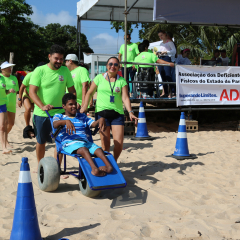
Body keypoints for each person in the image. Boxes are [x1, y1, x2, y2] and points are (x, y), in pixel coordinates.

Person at [81, 57, 138, 162]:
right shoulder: (99, 78)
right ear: (107, 66)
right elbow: (89, 93)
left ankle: (114, 162)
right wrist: (85, 106)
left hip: (117, 114)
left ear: (119, 67)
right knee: (105, 144)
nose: (113, 66)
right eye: (111, 64)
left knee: (119, 143)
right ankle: (107, 163)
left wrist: (130, 112)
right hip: (102, 115)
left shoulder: (121, 81)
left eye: (116, 65)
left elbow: (125, 98)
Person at [29, 44, 76, 170]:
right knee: (41, 141)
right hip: (42, 114)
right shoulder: (40, 70)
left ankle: (56, 169)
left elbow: (72, 91)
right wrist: (42, 106)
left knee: (59, 142)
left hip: (59, 113)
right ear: (49, 57)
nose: (59, 61)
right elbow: (32, 92)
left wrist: (73, 104)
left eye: (61, 59)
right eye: (56, 58)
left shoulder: (65, 70)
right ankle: (41, 166)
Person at [53, 93, 113, 176]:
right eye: (70, 104)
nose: (74, 106)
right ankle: (94, 169)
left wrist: (100, 119)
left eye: (75, 104)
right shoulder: (59, 116)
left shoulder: (82, 116)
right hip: (70, 143)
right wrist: (65, 122)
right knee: (84, 149)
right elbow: (55, 124)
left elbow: (93, 124)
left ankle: (109, 167)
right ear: (64, 106)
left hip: (85, 142)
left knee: (98, 149)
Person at [18, 62, 45, 138]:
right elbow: (22, 87)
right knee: (28, 108)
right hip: (27, 95)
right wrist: (19, 98)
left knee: (37, 113)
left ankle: (37, 130)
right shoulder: (30, 75)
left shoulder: (45, 75)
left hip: (36, 96)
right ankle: (28, 129)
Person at [0, 61, 19, 147]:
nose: (10, 69)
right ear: (2, 69)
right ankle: (5, 141)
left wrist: (19, 99)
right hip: (2, 103)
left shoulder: (14, 78)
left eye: (10, 67)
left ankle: (3, 138)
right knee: (4, 124)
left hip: (11, 103)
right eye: (8, 67)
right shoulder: (0, 77)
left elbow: (17, 90)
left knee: (11, 124)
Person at [157, 30, 176, 98]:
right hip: (161, 59)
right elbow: (161, 51)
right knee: (162, 75)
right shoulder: (161, 43)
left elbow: (174, 51)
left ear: (165, 34)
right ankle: (165, 92)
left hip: (167, 58)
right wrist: (159, 53)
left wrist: (166, 52)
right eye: (159, 36)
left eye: (161, 35)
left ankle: (173, 92)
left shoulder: (170, 42)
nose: (160, 37)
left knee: (168, 75)